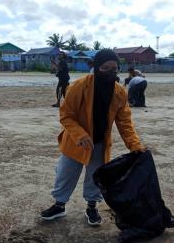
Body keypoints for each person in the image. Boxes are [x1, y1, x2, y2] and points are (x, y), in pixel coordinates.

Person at [41, 49, 146, 226]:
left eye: (115, 69)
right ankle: (59, 205)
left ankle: (91, 207)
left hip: (100, 142)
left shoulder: (119, 93)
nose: (111, 72)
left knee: (95, 176)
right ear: (97, 68)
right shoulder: (78, 86)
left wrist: (135, 146)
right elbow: (66, 115)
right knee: (66, 173)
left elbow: (125, 123)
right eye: (106, 68)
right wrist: (80, 134)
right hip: (75, 141)